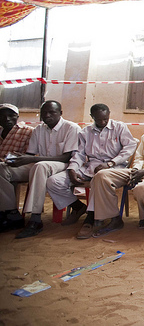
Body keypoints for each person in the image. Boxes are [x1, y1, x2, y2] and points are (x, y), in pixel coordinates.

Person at [79, 105, 144, 238]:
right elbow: (139, 157)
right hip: (138, 170)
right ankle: (114, 218)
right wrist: (136, 170)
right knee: (101, 176)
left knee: (140, 189)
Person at [46, 104, 137, 227]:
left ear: (109, 113)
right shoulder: (85, 132)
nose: (103, 122)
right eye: (99, 119)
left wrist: (110, 163)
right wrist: (72, 169)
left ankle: (91, 216)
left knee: (99, 178)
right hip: (90, 167)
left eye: (105, 118)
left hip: (114, 167)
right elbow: (79, 154)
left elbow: (129, 148)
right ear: (92, 117)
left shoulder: (119, 127)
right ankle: (78, 207)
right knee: (53, 181)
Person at [0, 100, 80, 238]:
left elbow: (66, 157)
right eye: (44, 113)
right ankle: (12, 214)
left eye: (52, 112)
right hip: (40, 164)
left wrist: (32, 159)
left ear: (60, 113)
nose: (47, 115)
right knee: (2, 168)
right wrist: (19, 159)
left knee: (40, 166)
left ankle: (35, 219)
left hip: (63, 165)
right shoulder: (39, 129)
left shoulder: (71, 128)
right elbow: (31, 154)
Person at [0, 104, 34, 232]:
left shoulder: (28, 131)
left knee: (2, 169)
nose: (7, 119)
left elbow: (27, 156)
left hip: (22, 166)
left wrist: (5, 160)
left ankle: (11, 213)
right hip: (4, 167)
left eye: (11, 115)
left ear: (17, 117)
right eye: (2, 116)